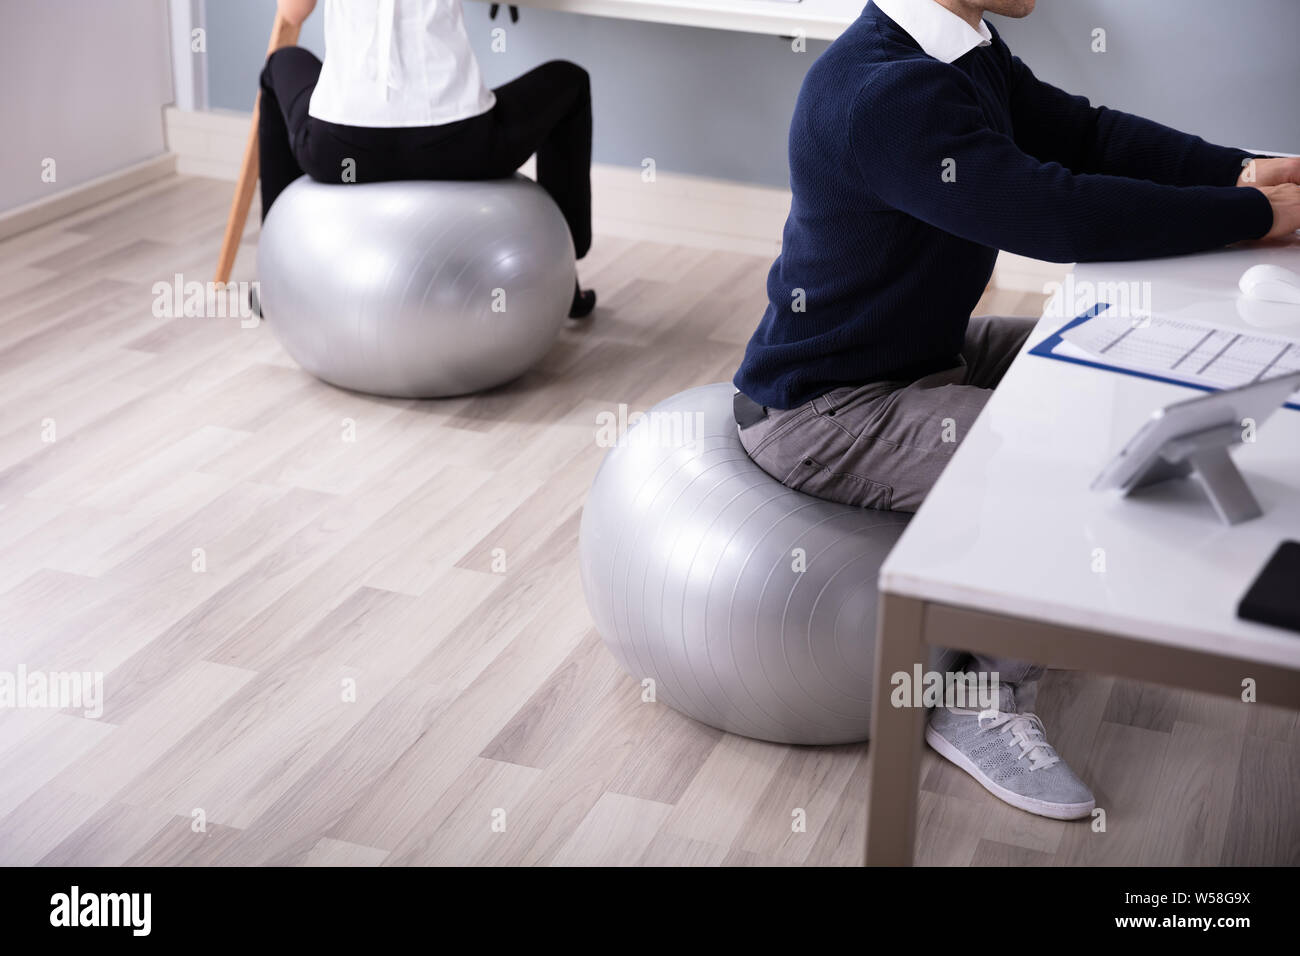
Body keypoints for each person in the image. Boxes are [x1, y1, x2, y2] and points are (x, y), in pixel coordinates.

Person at [732, 0, 1300, 819]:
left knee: (1121, 359)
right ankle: (974, 700)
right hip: (828, 411)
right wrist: (1252, 219)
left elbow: (1086, 137)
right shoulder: (883, 93)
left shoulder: (962, 51)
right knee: (1060, 460)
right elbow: (1055, 210)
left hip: (923, 354)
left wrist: (1242, 172)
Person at [259, 0, 596, 318]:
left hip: (342, 152)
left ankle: (273, 279)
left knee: (282, 62)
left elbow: (293, 12)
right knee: (570, 81)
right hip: (460, 146)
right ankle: (569, 275)